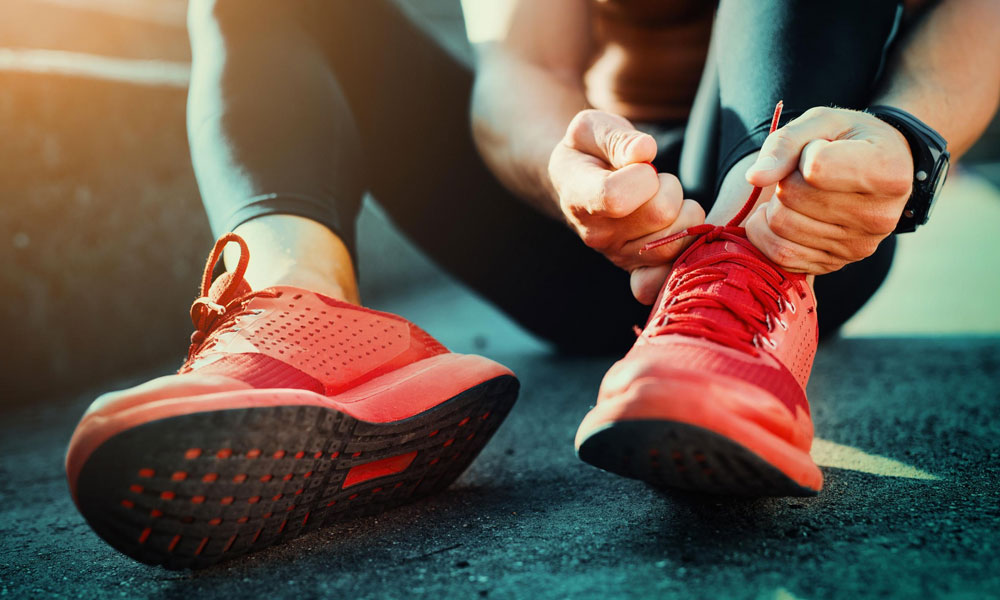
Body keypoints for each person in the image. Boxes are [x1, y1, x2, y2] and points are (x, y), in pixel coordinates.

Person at [64, 0, 1000, 569]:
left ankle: (734, 303)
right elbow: (522, 68)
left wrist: (911, 139)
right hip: (602, 234)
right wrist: (572, 175)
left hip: (808, 219)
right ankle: (300, 313)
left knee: (771, 213)